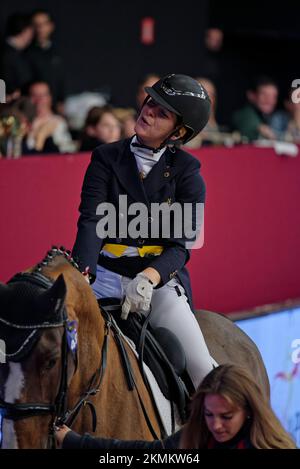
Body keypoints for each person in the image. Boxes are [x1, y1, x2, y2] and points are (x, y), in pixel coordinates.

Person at [72, 73, 215, 391]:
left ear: (178, 132)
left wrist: (148, 278)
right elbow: (91, 221)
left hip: (156, 285)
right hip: (104, 277)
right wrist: (82, 275)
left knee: (204, 370)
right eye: (150, 102)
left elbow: (181, 247)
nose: (148, 111)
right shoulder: (105, 158)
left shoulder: (188, 174)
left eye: (161, 112)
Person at [55, 364, 297, 449]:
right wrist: (74, 441)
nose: (216, 425)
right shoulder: (198, 435)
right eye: (209, 414)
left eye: (226, 416)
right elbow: (144, 454)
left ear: (249, 412)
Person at [232, 76, 279, 142]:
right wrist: (260, 130)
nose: (269, 100)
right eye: (264, 94)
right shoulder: (245, 114)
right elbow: (250, 130)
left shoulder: (273, 117)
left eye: (273, 96)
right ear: (251, 95)